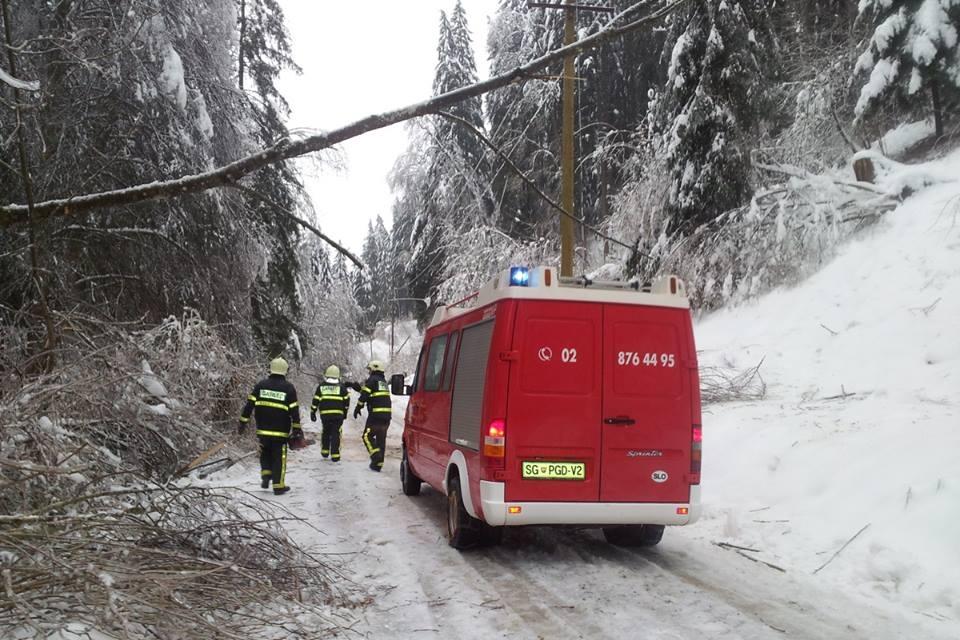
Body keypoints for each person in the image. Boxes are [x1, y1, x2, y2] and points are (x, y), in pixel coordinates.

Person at [238, 357, 302, 495]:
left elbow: (249, 405)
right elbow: (294, 411)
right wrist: (297, 428)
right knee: (279, 457)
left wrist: (243, 422)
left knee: (265, 452)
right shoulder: (289, 388)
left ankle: (266, 476)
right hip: (280, 432)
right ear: (285, 371)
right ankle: (278, 485)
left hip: (263, 429)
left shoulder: (260, 385)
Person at [354, 360, 392, 472]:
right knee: (381, 440)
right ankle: (378, 465)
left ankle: (376, 456)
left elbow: (365, 394)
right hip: (386, 417)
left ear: (374, 369)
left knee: (367, 436)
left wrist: (358, 407)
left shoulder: (372, 379)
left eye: (370, 369)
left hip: (375, 416)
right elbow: (372, 393)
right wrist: (358, 389)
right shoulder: (383, 382)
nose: (369, 372)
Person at [310, 364, 350, 462]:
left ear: (327, 375)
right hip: (338, 415)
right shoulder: (342, 387)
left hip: (325, 415)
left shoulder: (321, 387)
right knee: (336, 432)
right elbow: (346, 402)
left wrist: (313, 412)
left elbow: (316, 400)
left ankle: (325, 451)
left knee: (326, 431)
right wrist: (345, 413)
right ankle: (335, 455)